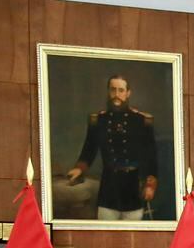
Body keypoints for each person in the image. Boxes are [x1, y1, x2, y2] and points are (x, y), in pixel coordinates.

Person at [67, 73, 159, 220]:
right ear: (108, 92)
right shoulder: (99, 120)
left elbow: (151, 156)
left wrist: (150, 185)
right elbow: (89, 149)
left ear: (128, 93)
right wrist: (80, 168)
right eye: (113, 90)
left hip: (133, 187)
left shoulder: (141, 121)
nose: (117, 94)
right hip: (109, 187)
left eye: (121, 90)